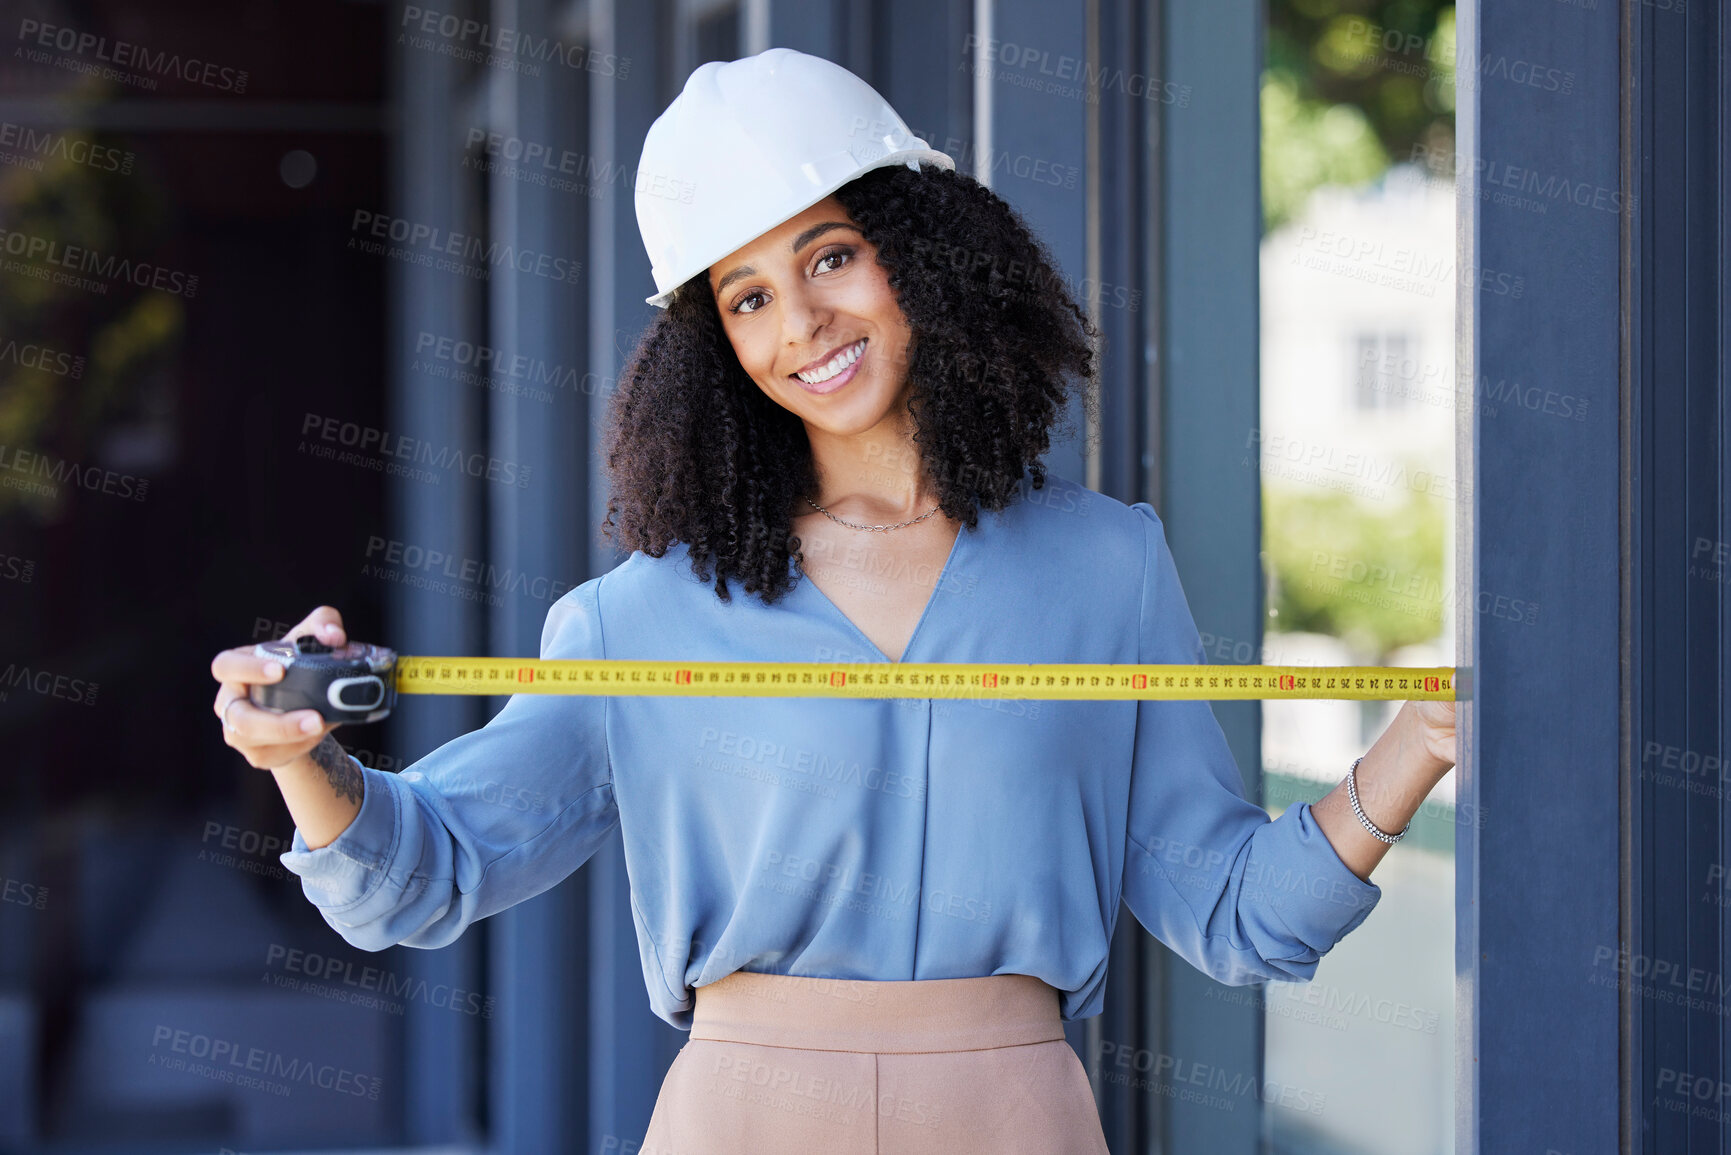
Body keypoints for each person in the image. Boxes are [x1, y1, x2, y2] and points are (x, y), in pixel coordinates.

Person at [207, 47, 1457, 1154]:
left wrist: (1415, 744)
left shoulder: (1104, 566)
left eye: (833, 256)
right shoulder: (637, 617)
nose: (801, 321)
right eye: (748, 297)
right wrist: (301, 756)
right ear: (716, 351)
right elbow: (420, 875)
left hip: (1015, 1123)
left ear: (924, 255)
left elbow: (1239, 914)